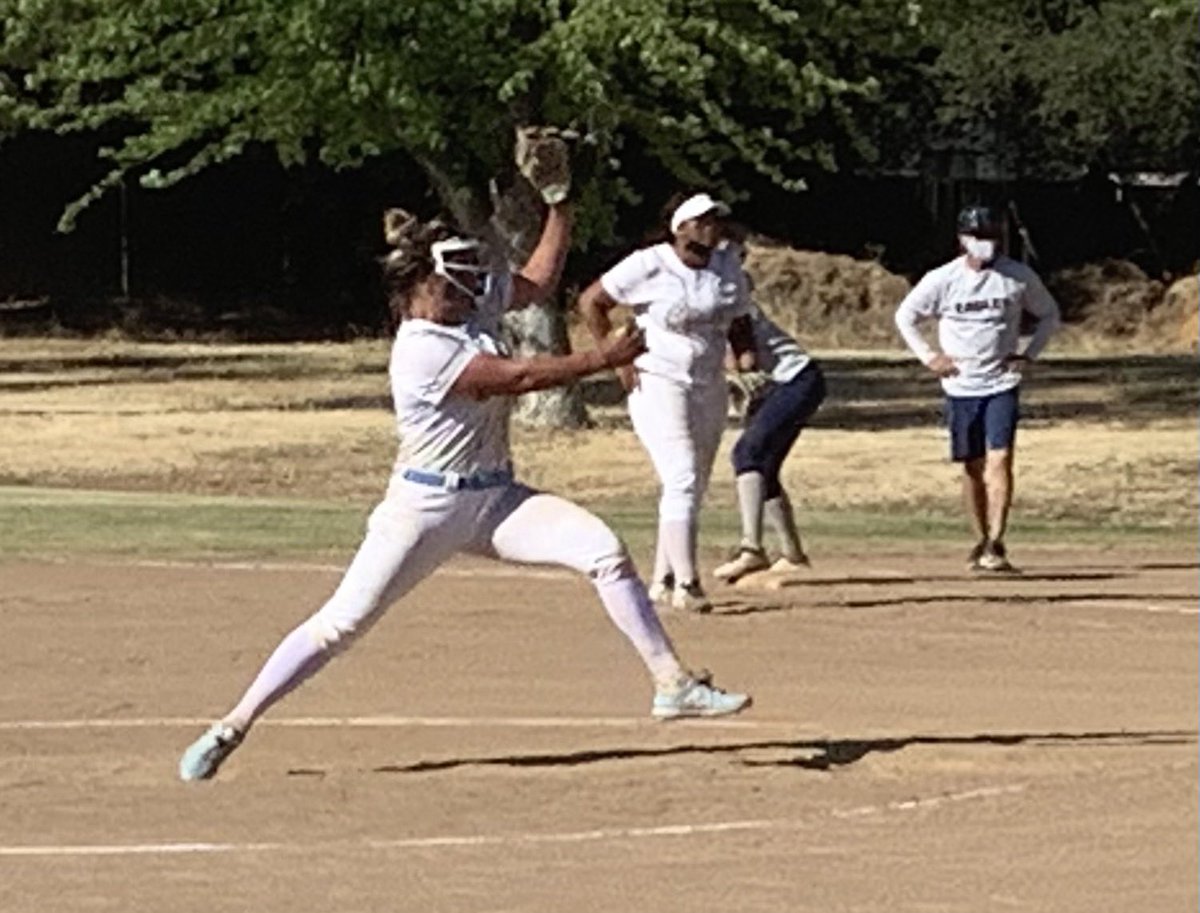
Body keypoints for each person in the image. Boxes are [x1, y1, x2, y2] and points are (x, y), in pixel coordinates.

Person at [178, 150, 751, 782]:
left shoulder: (467, 309)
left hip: (493, 500)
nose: (476, 287)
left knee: (604, 551)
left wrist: (560, 204)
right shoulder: (421, 348)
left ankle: (671, 683)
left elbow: (537, 280)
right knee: (341, 624)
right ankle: (233, 723)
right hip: (424, 509)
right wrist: (601, 358)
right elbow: (519, 376)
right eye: (459, 280)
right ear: (424, 285)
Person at [577, 192, 755, 614]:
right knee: (682, 476)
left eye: (717, 220)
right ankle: (688, 584)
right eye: (704, 220)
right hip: (659, 379)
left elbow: (740, 316)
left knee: (693, 482)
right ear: (682, 227)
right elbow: (592, 302)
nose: (714, 227)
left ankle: (664, 578)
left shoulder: (727, 264)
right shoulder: (650, 263)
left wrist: (746, 358)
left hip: (707, 382)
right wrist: (612, 355)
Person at [894, 204, 1060, 573]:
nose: (986, 245)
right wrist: (929, 357)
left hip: (1001, 382)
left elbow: (1049, 313)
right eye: (979, 238)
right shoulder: (943, 279)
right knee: (972, 467)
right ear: (963, 239)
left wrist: (1028, 354)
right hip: (960, 386)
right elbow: (905, 316)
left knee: (1000, 459)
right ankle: (980, 535)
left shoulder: (1017, 277)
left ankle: (997, 540)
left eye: (992, 238)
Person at [714, 291, 826, 584]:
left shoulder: (732, 304)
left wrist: (729, 371)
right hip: (790, 384)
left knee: (746, 455)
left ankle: (751, 548)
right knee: (764, 468)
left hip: (796, 381)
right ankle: (793, 556)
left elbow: (746, 358)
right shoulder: (717, 306)